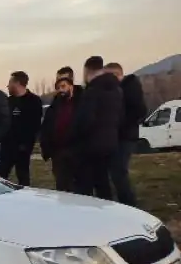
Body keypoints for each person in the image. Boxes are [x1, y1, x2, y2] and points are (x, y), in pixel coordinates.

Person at [73, 56, 122, 200]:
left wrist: (76, 134)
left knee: (85, 183)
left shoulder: (92, 91)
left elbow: (85, 120)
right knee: (103, 182)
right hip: (111, 142)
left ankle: (88, 213)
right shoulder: (116, 90)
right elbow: (121, 115)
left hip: (91, 145)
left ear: (87, 70)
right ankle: (107, 209)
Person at [106, 62, 146, 207]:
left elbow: (140, 110)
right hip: (118, 136)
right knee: (116, 173)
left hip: (126, 136)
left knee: (119, 172)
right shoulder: (118, 89)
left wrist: (120, 123)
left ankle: (130, 205)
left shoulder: (130, 87)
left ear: (117, 74)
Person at [0, 71, 44, 185]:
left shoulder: (34, 101)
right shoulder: (8, 102)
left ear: (17, 83)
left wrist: (26, 145)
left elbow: (35, 126)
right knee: (0, 177)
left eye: (10, 82)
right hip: (6, 148)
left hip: (23, 149)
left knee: (23, 177)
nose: (7, 86)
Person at [39, 76, 81, 192]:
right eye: (58, 88)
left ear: (71, 86)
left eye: (63, 86)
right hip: (58, 151)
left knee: (77, 185)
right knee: (61, 184)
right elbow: (46, 127)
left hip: (76, 150)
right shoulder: (55, 105)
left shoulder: (81, 103)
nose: (61, 90)